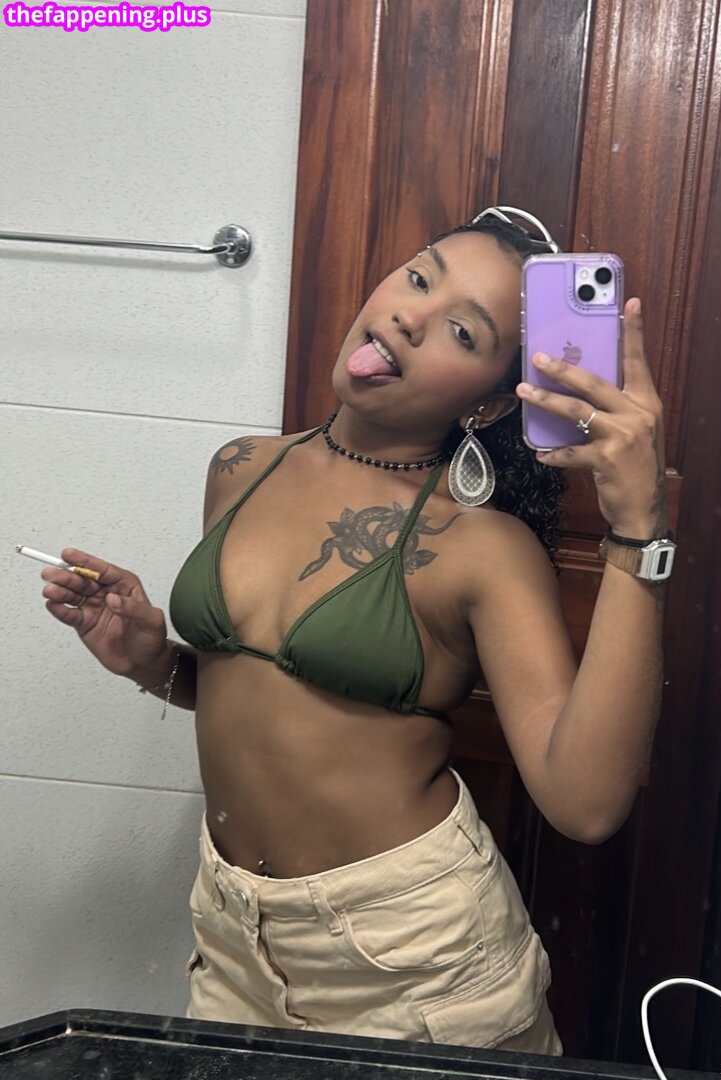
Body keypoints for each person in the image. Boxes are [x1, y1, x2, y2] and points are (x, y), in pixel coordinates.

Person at [38, 207, 669, 1055]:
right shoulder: (240, 468)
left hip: (414, 961)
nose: (409, 314)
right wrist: (152, 661)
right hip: (234, 943)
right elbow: (264, 697)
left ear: (489, 399)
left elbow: (584, 802)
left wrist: (638, 528)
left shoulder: (483, 548)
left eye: (461, 330)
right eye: (418, 276)